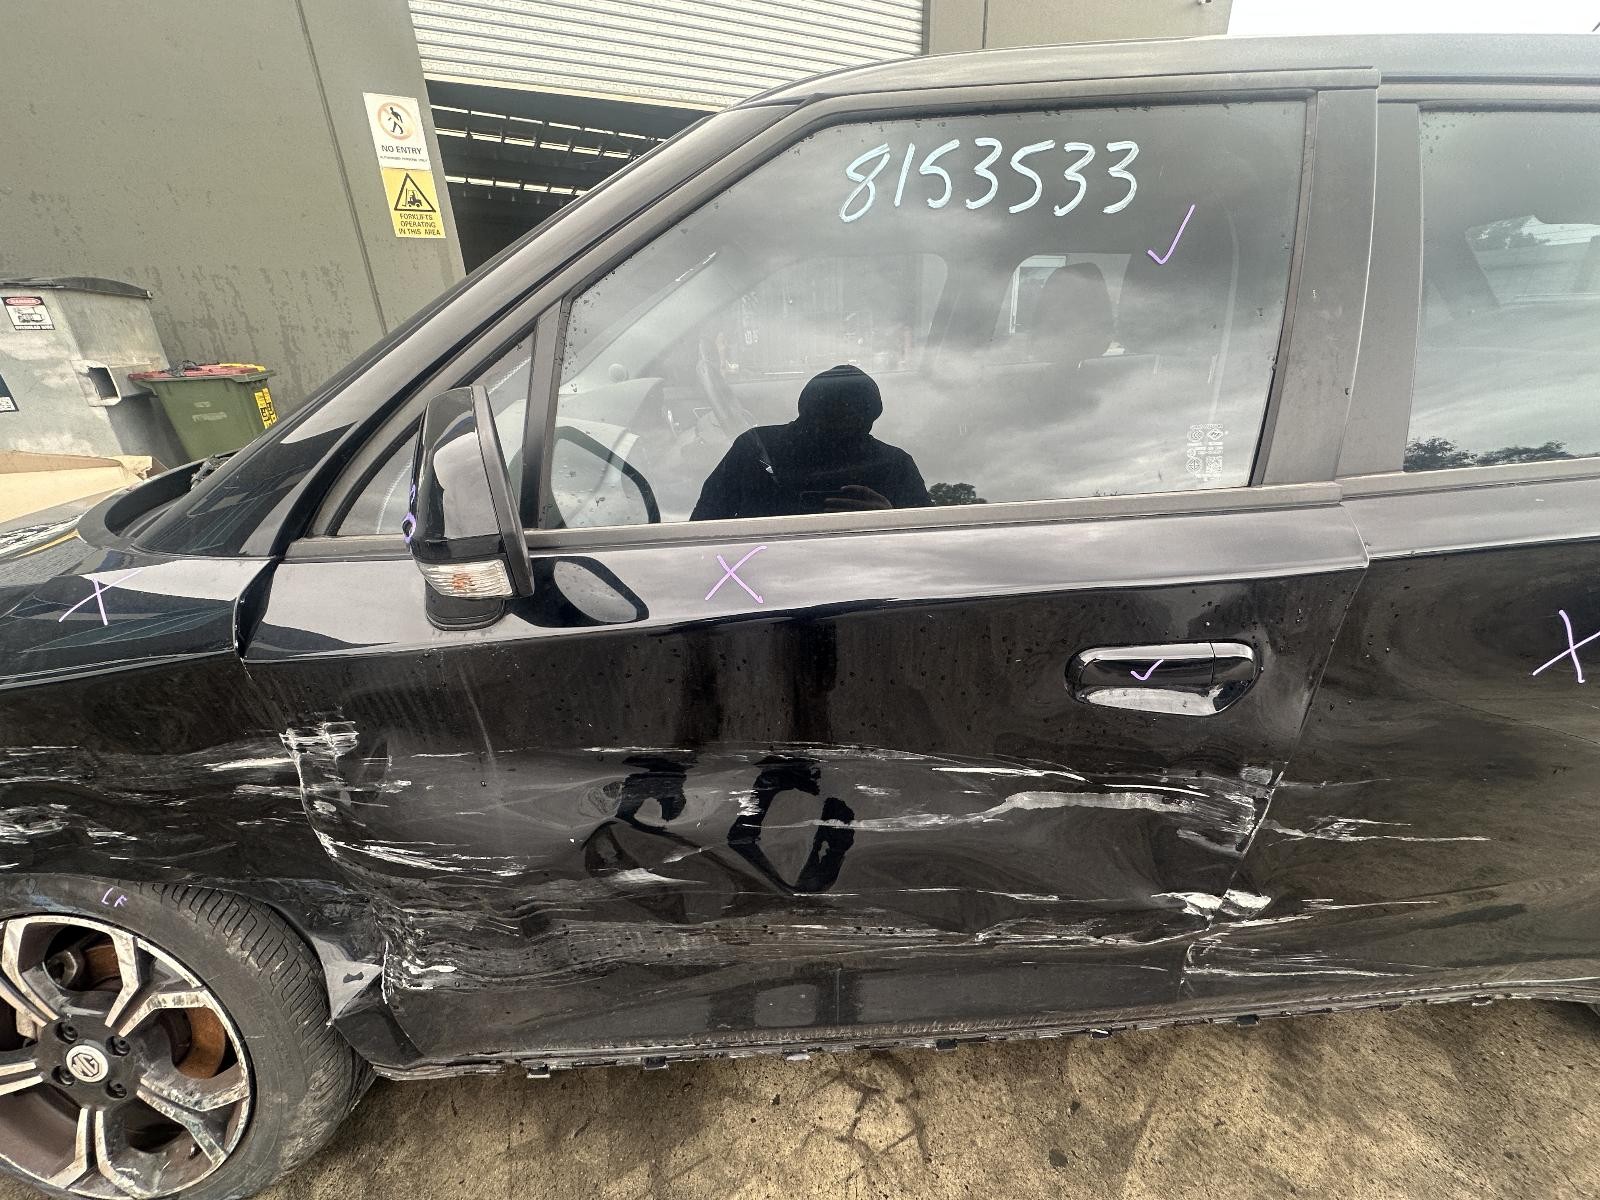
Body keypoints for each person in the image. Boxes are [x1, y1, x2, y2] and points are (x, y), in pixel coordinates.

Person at [690, 364, 931, 520]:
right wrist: (892, 521)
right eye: (828, 419)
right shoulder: (755, 451)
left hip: (758, 576)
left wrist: (888, 519)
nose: (836, 435)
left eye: (851, 423)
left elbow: (701, 531)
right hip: (763, 575)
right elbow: (701, 528)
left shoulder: (755, 448)